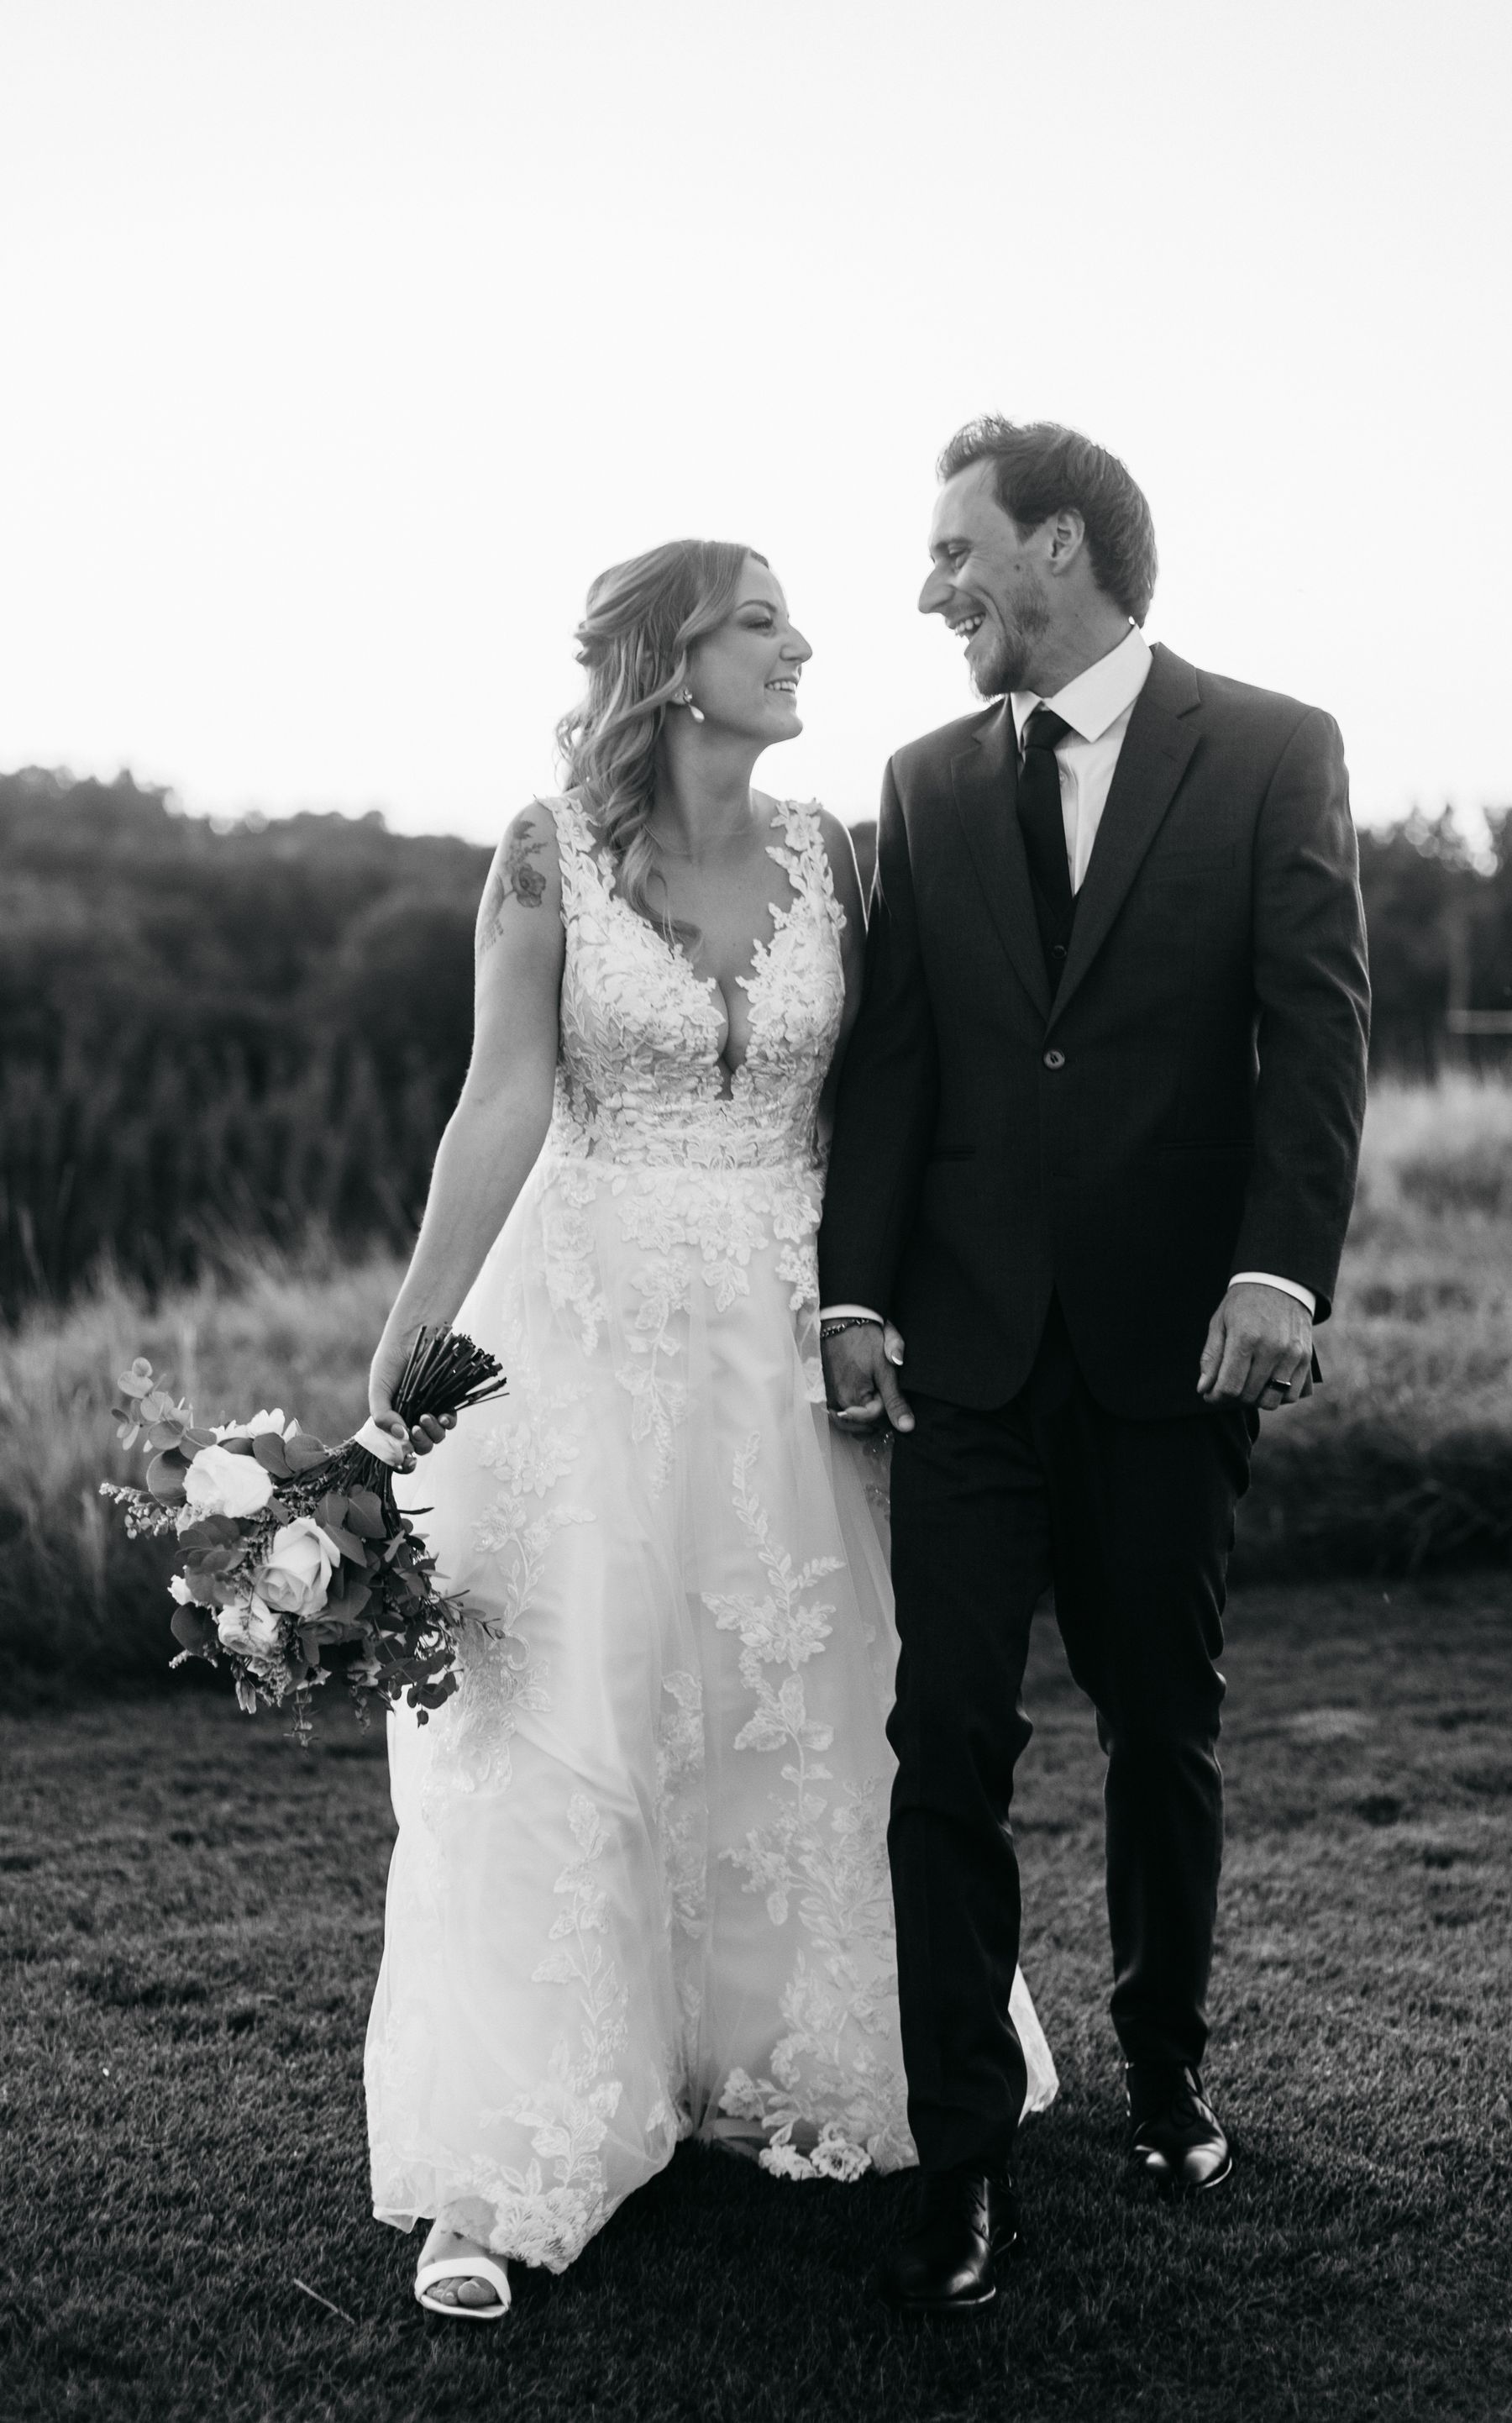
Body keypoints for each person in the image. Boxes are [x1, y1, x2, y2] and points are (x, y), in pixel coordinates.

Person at [361, 538, 1057, 2319]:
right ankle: (515, 2155)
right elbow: (502, 1099)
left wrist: (890, 1301)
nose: (804, 642)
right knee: (572, 1715)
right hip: (586, 1331)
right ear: (672, 661)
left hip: (785, 1343)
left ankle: (793, 2061)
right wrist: (411, 1329)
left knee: (801, 1699)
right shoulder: (543, 860)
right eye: (764, 620)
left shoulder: (836, 854)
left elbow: (897, 1097)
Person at [819, 418, 1371, 2315]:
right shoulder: (923, 780)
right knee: (944, 1741)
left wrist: (1282, 1269)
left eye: (958, 546)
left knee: (1165, 1725)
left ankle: (1165, 2071)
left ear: (1061, 541)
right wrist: (853, 1297)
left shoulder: (1275, 746)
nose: (932, 587)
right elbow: (897, 1057)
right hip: (966, 1350)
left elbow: (1316, 1031)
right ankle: (963, 2151)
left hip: (1173, 1345)